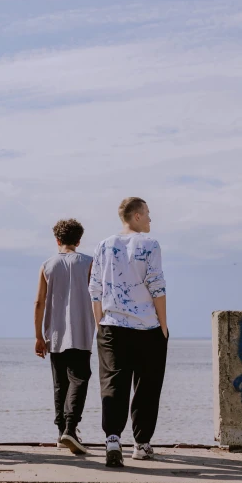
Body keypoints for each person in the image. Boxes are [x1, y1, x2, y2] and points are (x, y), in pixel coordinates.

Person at [90, 197, 168, 467]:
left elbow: (95, 289)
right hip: (147, 326)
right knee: (147, 386)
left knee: (113, 383)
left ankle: (112, 439)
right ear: (136, 216)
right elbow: (156, 286)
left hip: (111, 326)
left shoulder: (103, 244)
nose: (150, 219)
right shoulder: (150, 244)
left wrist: (99, 323)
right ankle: (141, 444)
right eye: (147, 213)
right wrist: (164, 325)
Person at [34, 218, 94, 455]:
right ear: (79, 240)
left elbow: (39, 302)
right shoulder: (89, 263)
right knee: (79, 379)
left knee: (60, 383)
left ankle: (61, 434)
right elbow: (98, 297)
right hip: (82, 331)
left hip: (55, 333)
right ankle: (70, 428)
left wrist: (38, 335)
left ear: (57, 240)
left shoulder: (47, 265)